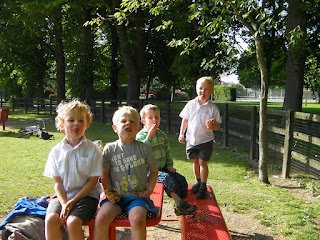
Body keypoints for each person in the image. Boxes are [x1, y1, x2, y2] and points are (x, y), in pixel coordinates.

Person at [94, 106, 158, 240]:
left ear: (138, 128)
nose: (128, 123)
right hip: (116, 198)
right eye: (123, 121)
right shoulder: (109, 149)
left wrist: (149, 189)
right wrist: (109, 191)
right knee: (101, 217)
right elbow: (104, 174)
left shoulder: (144, 148)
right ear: (115, 128)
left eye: (132, 121)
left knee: (138, 218)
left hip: (137, 196)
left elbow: (153, 171)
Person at [43, 99, 103, 240]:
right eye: (71, 120)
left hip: (87, 197)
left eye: (81, 120)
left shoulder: (93, 150)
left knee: (73, 222)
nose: (76, 123)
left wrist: (73, 201)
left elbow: (92, 181)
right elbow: (57, 182)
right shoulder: (56, 151)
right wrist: (64, 203)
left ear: (87, 124)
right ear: (62, 125)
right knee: (51, 219)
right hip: (63, 195)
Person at [136, 104, 196, 216]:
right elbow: (140, 151)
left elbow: (167, 151)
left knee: (181, 180)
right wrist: (149, 137)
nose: (154, 120)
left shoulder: (162, 135)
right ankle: (180, 204)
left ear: (160, 119)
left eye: (157, 117)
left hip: (163, 168)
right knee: (167, 179)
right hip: (148, 171)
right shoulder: (141, 136)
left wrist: (169, 164)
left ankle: (181, 204)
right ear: (143, 121)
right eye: (150, 117)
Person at [178, 76, 222, 199]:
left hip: (205, 141)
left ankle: (203, 186)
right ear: (196, 89)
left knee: (203, 162)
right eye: (201, 88)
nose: (203, 91)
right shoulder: (191, 104)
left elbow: (217, 126)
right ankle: (197, 181)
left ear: (212, 91)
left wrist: (213, 125)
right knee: (195, 161)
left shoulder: (212, 108)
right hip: (192, 140)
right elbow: (185, 120)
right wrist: (182, 133)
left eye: (207, 89)